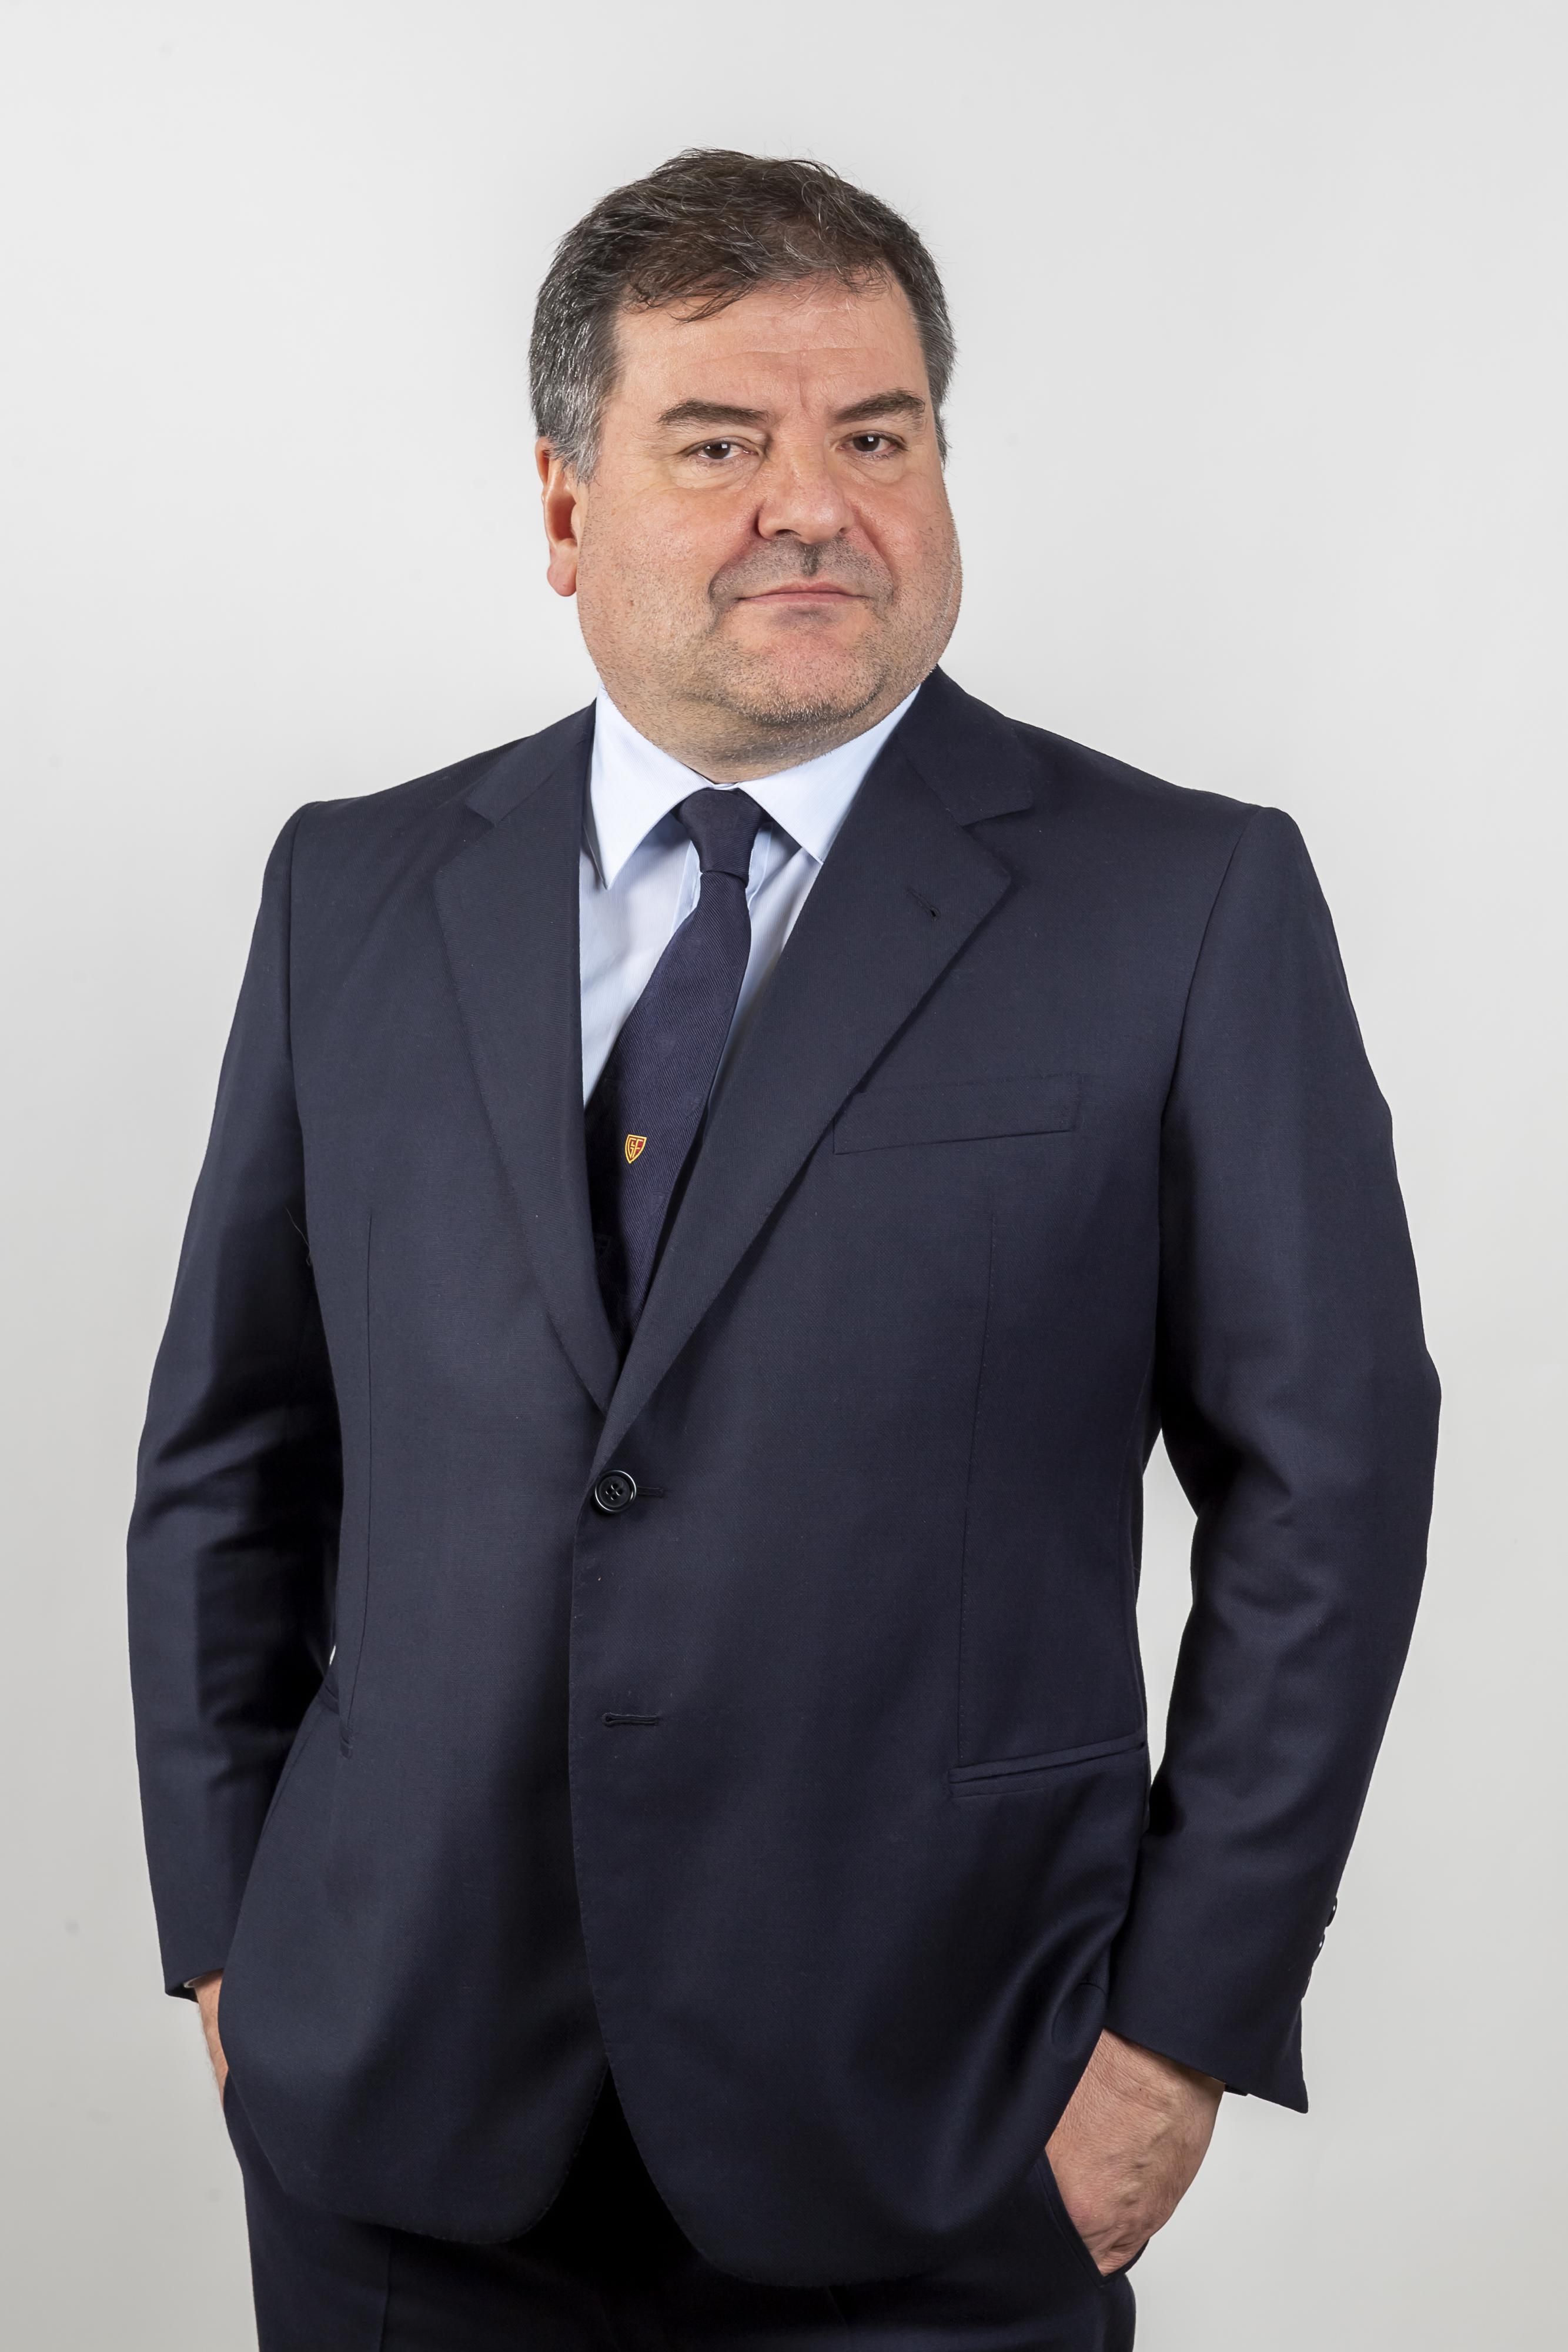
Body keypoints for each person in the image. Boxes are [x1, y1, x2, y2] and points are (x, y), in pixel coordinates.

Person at [128, 149, 1439, 2350]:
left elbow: (1330, 1490)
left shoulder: (1183, 904)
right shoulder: (350, 891)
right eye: (720, 443)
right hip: (391, 2123)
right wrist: (231, 1944)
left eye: (878, 437)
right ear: (566, 507)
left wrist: (1179, 2035)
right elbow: (231, 1453)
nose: (813, 506)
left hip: (940, 2130)